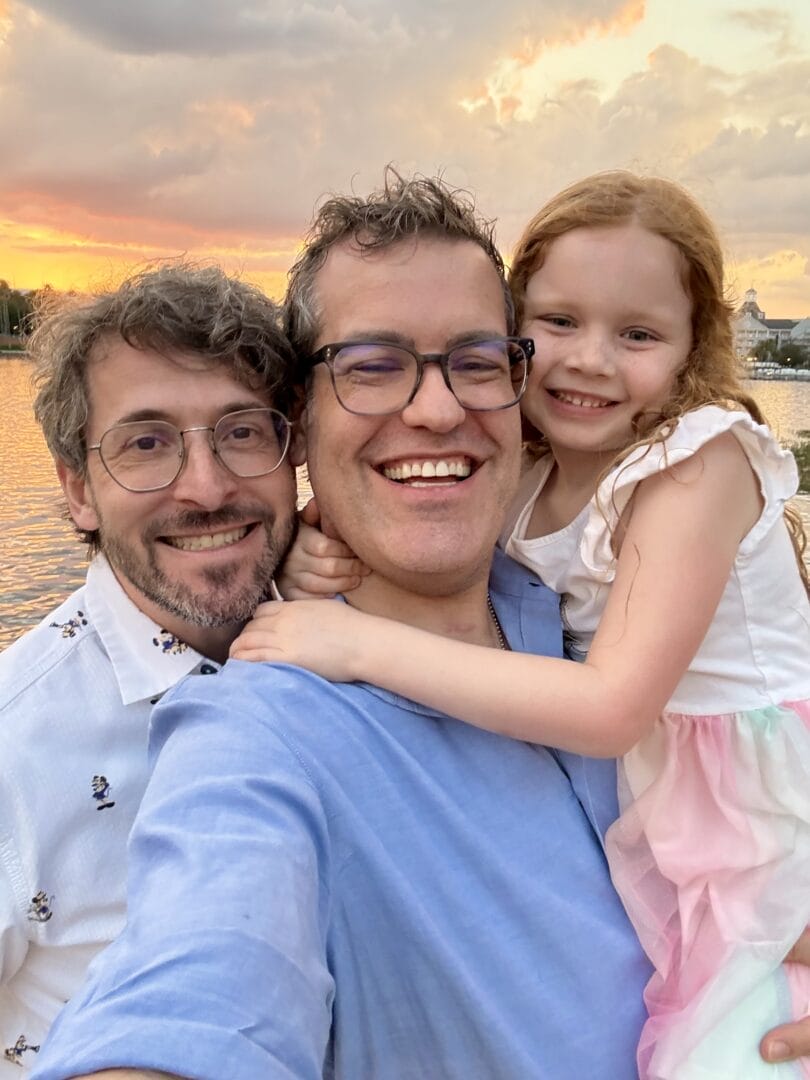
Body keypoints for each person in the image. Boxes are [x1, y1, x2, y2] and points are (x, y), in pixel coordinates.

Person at [32, 173, 653, 1080]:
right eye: (371, 366)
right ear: (301, 422)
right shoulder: (259, 736)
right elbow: (198, 986)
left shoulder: (590, 592)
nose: (438, 409)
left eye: (477, 361)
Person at [232, 172, 810, 1079]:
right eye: (561, 322)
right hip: (680, 822)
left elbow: (613, 708)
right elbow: (403, 505)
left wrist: (357, 645)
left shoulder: (693, 463)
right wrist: (312, 546)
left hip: (759, 814)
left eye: (639, 334)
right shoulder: (533, 473)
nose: (591, 360)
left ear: (693, 346)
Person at [0, 262, 299, 1076]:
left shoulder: (350, 642)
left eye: (242, 431)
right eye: (145, 443)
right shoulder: (16, 747)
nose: (206, 488)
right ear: (78, 491)